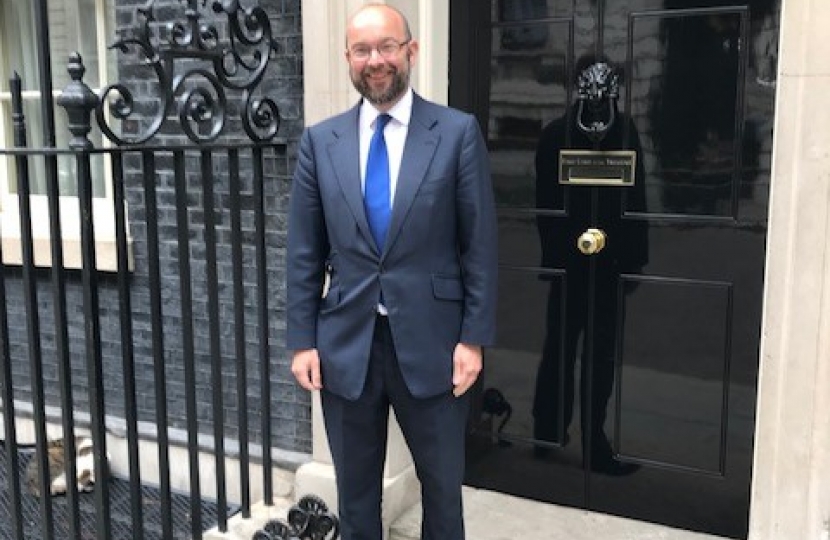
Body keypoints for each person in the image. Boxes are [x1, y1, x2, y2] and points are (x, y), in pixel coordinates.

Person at [286, 4, 498, 540]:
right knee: (355, 499)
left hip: (434, 343)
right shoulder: (321, 142)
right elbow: (305, 252)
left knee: (442, 493)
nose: (375, 60)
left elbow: (479, 246)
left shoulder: (456, 134)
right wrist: (302, 341)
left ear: (411, 50)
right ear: (348, 59)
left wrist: (473, 339)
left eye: (386, 46)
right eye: (362, 50)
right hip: (346, 346)